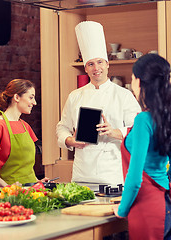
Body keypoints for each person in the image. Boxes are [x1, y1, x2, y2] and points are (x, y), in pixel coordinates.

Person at [56, 21, 141, 187]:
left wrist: (114, 131)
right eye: (91, 64)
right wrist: (69, 141)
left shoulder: (124, 95)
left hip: (113, 176)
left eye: (100, 62)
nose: (96, 68)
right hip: (82, 175)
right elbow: (62, 127)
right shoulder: (75, 96)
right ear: (86, 68)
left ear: (108, 65)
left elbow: (137, 130)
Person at [113, 53, 171, 240]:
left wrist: (122, 210)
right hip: (165, 204)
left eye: (132, 79)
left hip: (146, 208)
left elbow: (135, 176)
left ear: (138, 82)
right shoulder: (165, 118)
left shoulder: (143, 120)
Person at [0, 79, 49, 187]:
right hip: (8, 194)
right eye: (31, 97)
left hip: (31, 189)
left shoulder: (25, 126)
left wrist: (37, 181)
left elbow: (24, 166)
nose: (34, 102)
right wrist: (6, 187)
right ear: (17, 97)